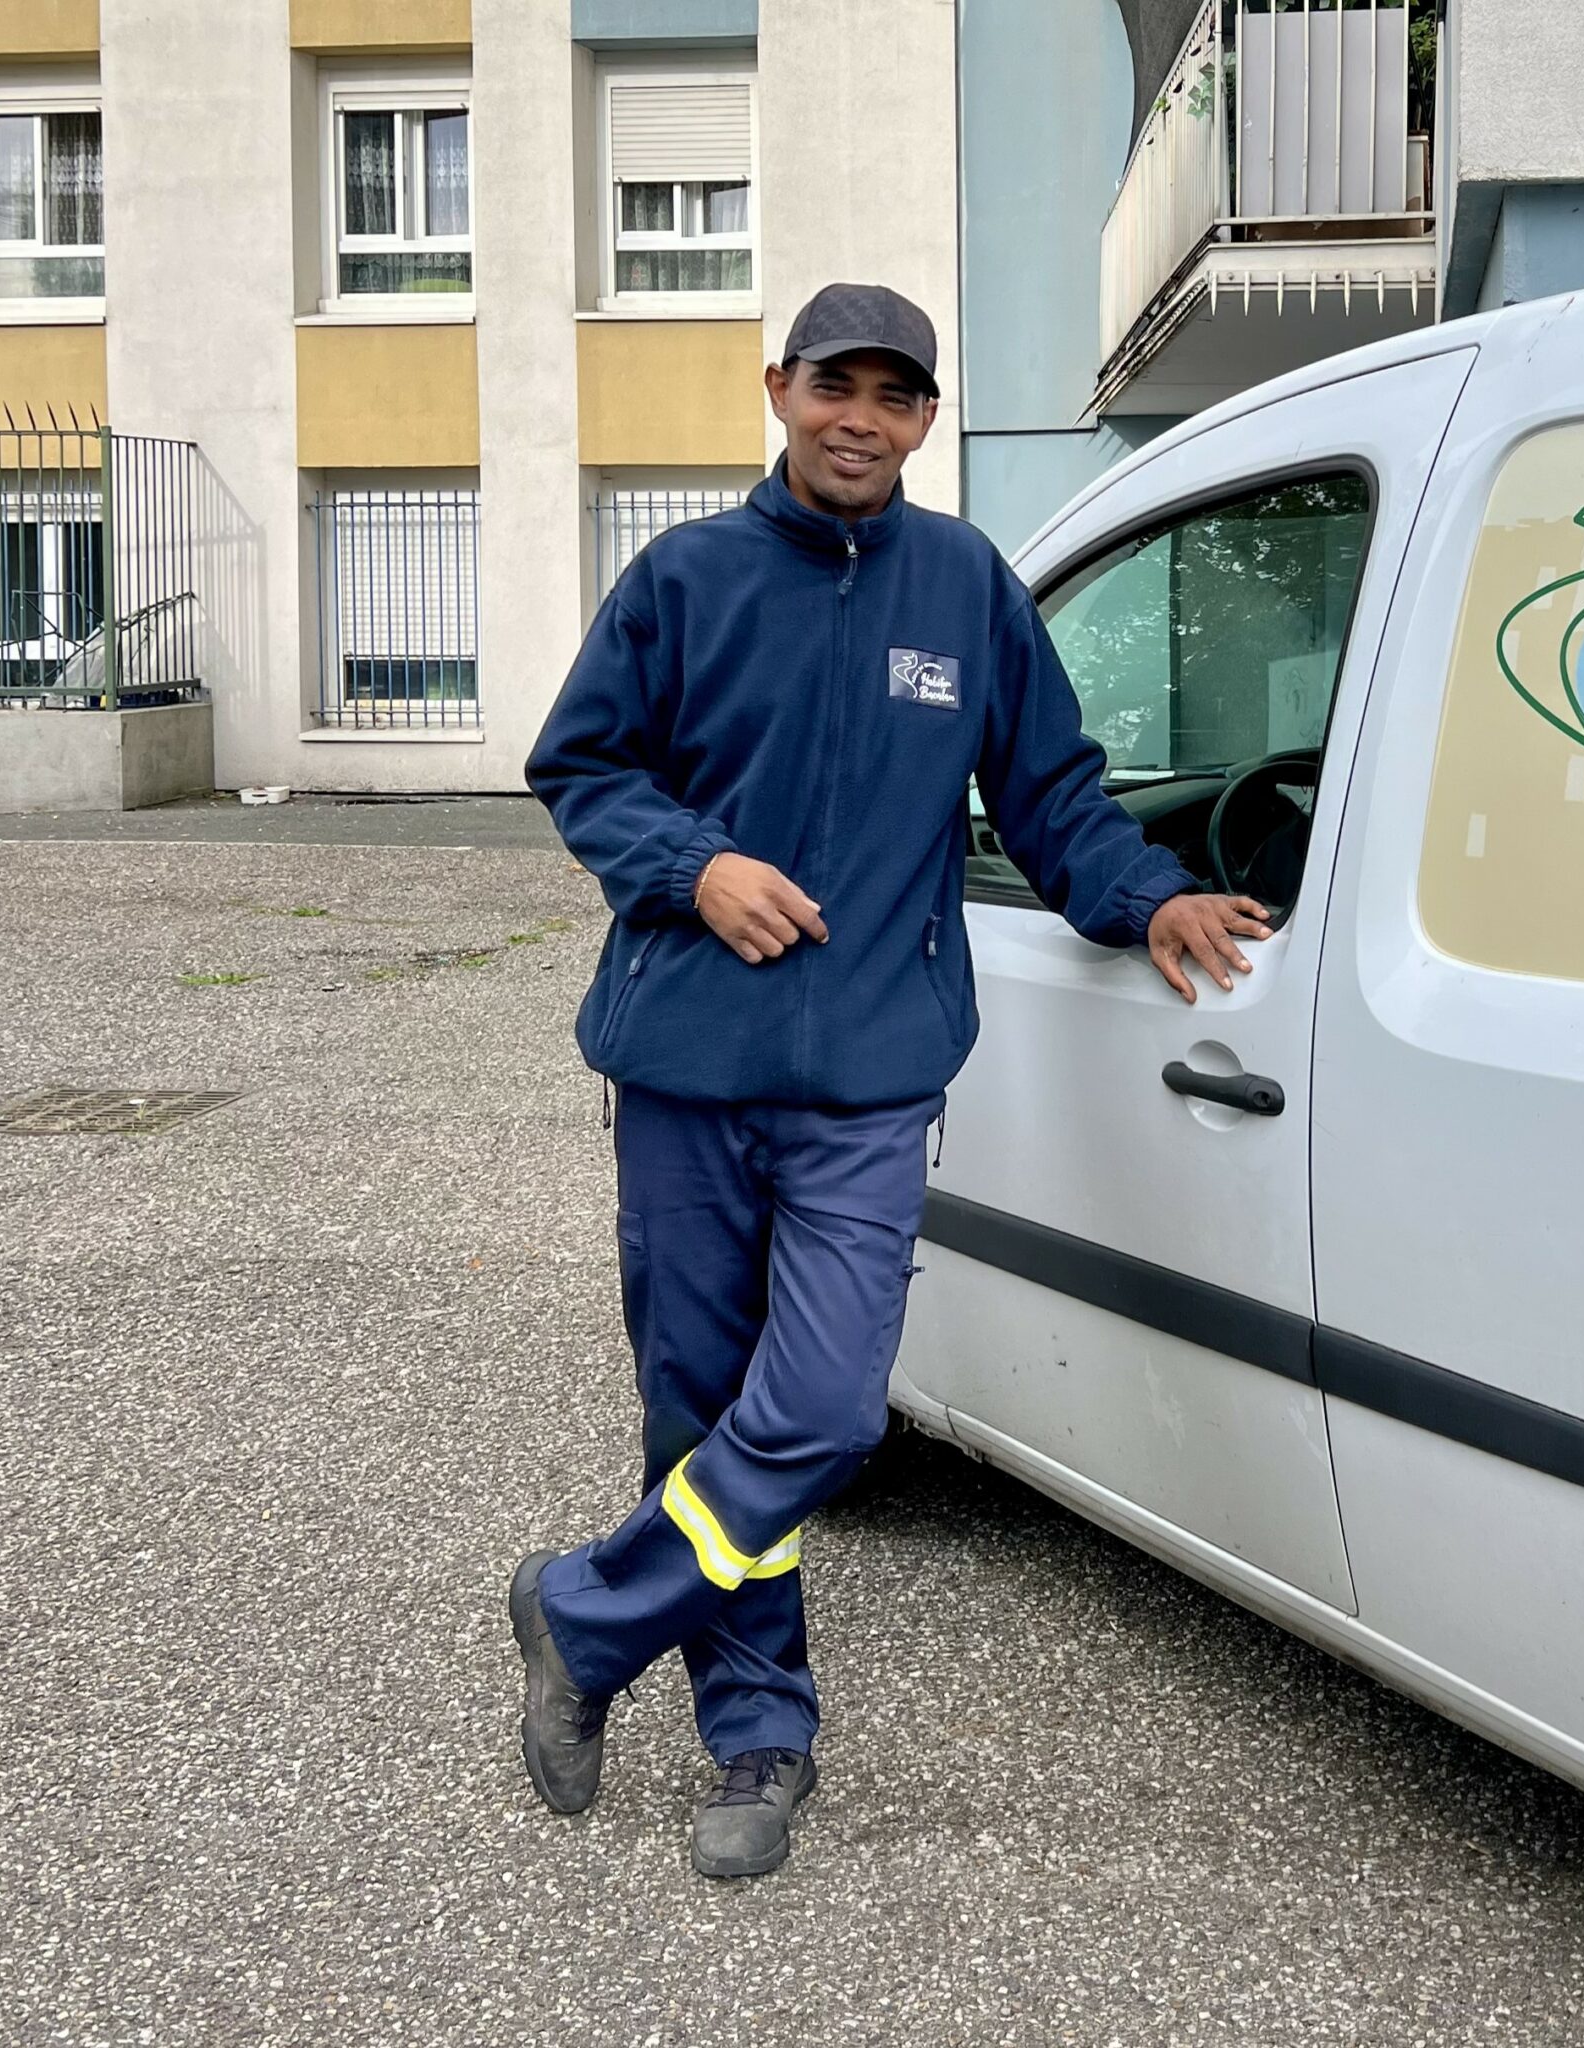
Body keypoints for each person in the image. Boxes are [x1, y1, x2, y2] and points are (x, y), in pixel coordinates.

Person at [513, 282, 1269, 1879]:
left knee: (826, 1407)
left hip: (869, 1076)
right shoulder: (684, 581)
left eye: (895, 395)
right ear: (779, 389)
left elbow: (1053, 794)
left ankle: (585, 1614)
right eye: (834, 386)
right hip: (688, 1070)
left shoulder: (966, 588)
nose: (861, 420)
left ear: (927, 418)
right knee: (699, 1409)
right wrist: (695, 866)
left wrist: (1150, 897)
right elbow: (582, 766)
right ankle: (759, 1734)